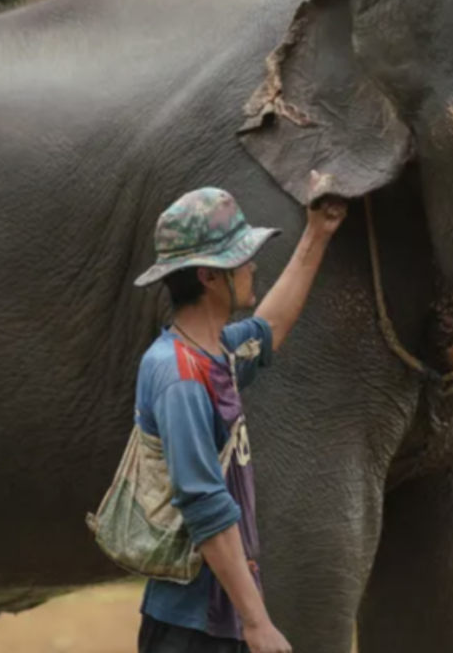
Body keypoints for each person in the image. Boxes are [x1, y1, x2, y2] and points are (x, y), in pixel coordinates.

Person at [130, 177, 347, 653]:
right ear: (209, 276)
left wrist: (317, 234)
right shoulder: (180, 376)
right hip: (192, 627)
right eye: (239, 259)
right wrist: (258, 623)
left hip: (215, 614)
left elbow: (269, 327)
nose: (251, 266)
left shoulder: (216, 354)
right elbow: (204, 505)